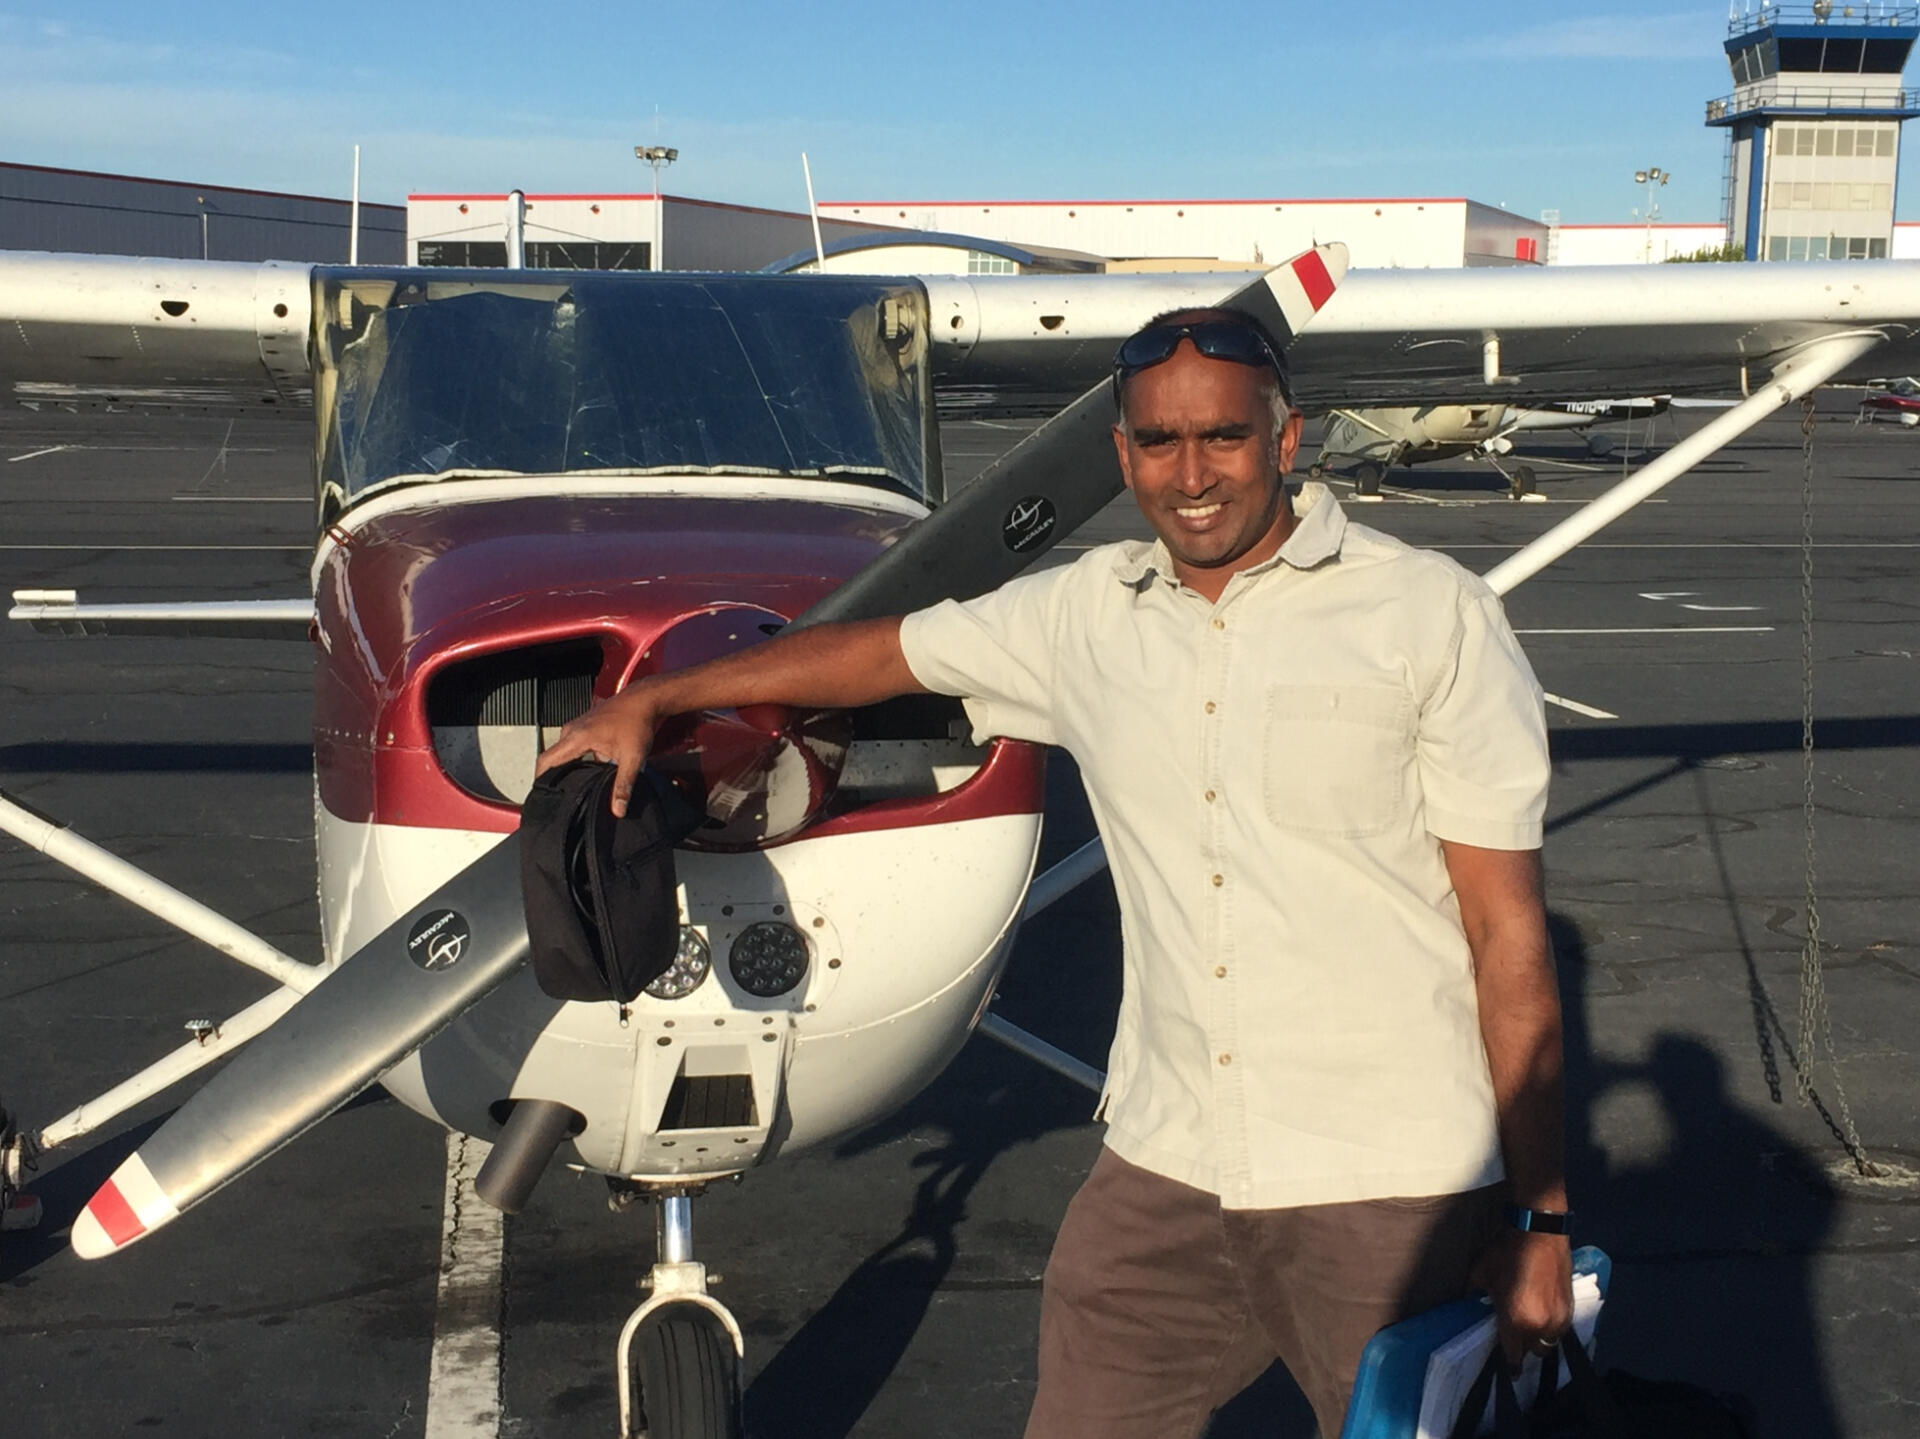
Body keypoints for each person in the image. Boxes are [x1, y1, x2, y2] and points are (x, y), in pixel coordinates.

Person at [537, 307, 1574, 1437]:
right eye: (1160, 441)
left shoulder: (1430, 615)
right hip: (1169, 1162)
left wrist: (1541, 1217)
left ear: (1285, 439)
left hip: (1386, 1176)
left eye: (1223, 437)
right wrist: (659, 697)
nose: (1191, 474)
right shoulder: (1085, 613)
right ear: (1122, 454)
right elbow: (879, 653)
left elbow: (1506, 934)